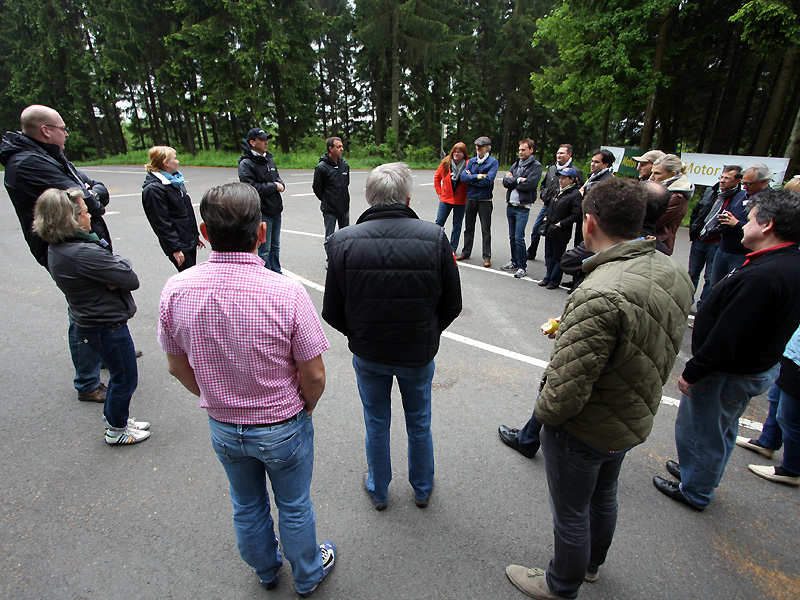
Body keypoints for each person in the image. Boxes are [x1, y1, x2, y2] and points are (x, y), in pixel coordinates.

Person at [505, 177, 693, 600]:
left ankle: (560, 584)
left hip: (585, 426)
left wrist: (545, 420)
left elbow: (565, 391)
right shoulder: (672, 270)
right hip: (631, 412)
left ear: (589, 222)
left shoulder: (600, 291)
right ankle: (591, 565)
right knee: (604, 495)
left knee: (571, 512)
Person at [157, 182, 335, 597]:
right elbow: (314, 375)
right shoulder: (285, 291)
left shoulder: (176, 289)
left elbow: (176, 366)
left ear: (204, 232)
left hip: (224, 426)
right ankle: (307, 574)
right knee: (293, 506)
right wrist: (306, 407)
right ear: (261, 232)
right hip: (281, 423)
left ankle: (266, 570)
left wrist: (215, 397)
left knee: (246, 503)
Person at [322, 163, 462, 511]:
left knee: (376, 421)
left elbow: (332, 310)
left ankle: (379, 488)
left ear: (368, 197)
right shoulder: (434, 237)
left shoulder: (342, 241)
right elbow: (452, 303)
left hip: (369, 352)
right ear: (408, 198)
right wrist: (428, 332)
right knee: (419, 422)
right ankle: (422, 488)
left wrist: (358, 334)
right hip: (417, 352)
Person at [498, 181, 674, 456]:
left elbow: (568, 381)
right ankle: (529, 436)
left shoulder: (601, 290)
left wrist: (578, 319)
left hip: (591, 423)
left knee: (569, 377)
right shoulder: (668, 264)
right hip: (633, 405)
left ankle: (530, 438)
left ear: (589, 223)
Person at [654, 189, 800, 510]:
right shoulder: (785, 261)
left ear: (767, 225)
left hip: (727, 371)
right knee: (721, 427)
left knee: (702, 430)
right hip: (753, 366)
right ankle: (701, 472)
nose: (743, 224)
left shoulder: (764, 275)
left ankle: (696, 489)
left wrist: (695, 371)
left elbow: (728, 335)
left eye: (750, 219)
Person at [1, 104, 115, 403]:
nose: (66, 134)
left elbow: (92, 190)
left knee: (100, 302)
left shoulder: (50, 155)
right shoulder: (28, 163)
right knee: (85, 310)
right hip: (66, 249)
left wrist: (90, 193)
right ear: (45, 130)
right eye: (63, 128)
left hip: (83, 243)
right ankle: (88, 383)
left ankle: (106, 352)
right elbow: (88, 200)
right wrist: (90, 195)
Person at [32, 188, 150, 445]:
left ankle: (116, 419)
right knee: (124, 377)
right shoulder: (83, 253)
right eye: (85, 213)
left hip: (92, 321)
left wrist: (114, 270)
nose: (90, 218)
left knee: (120, 374)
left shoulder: (60, 248)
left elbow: (117, 270)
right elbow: (130, 278)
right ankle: (116, 430)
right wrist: (117, 270)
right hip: (105, 324)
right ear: (72, 220)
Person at [735, 324, 800, 487]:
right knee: (775, 398)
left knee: (790, 417)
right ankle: (768, 442)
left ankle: (792, 469)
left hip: (798, 359)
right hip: (792, 351)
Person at [687, 166, 743, 308]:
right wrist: (695, 230)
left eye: (727, 178)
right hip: (700, 239)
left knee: (710, 278)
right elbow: (697, 212)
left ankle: (703, 308)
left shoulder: (739, 198)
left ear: (738, 181)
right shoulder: (711, 191)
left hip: (717, 242)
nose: (722, 181)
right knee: (692, 273)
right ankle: (686, 302)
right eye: (721, 177)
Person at [141, 146, 204, 271]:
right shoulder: (154, 189)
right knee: (188, 277)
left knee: (193, 273)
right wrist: (175, 248)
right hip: (179, 244)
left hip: (188, 239)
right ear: (166, 163)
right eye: (174, 158)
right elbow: (160, 222)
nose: (178, 161)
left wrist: (195, 234)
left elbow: (186, 211)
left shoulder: (175, 182)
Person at [707, 163, 771, 287]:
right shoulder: (741, 194)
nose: (745, 186)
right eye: (743, 183)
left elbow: (763, 229)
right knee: (714, 287)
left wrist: (737, 224)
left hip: (743, 254)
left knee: (733, 289)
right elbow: (729, 213)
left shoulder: (770, 200)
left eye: (749, 184)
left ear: (763, 181)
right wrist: (723, 219)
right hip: (723, 248)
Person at [238, 127, 284, 273]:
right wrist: (274, 186)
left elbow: (277, 178)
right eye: (262, 140)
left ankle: (276, 272)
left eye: (266, 140)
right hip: (262, 211)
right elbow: (252, 188)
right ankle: (265, 274)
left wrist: (280, 184)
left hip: (275, 209)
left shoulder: (268, 159)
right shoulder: (246, 163)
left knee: (275, 246)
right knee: (265, 248)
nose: (266, 142)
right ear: (252, 142)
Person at [528, 144, 583, 261]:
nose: (559, 155)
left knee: (556, 235)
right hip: (548, 205)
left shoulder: (576, 171)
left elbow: (579, 191)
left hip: (563, 208)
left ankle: (555, 261)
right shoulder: (552, 169)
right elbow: (543, 184)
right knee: (537, 229)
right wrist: (544, 193)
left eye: (562, 153)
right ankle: (531, 252)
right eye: (558, 153)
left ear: (569, 155)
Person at [501, 138, 542, 278]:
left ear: (531, 150)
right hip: (511, 205)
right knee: (512, 237)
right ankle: (514, 261)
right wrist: (518, 179)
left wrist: (513, 179)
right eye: (519, 150)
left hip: (522, 207)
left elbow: (530, 184)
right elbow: (505, 182)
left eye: (523, 150)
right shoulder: (516, 164)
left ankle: (522, 266)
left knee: (519, 237)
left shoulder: (536, 166)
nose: (520, 152)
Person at [456, 136, 499, 267]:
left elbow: (489, 181)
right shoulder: (473, 161)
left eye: (481, 146)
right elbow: (463, 177)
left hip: (485, 200)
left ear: (487, 148)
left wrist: (472, 178)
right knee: (468, 228)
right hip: (471, 199)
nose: (478, 148)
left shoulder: (493, 162)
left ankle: (487, 256)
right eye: (477, 146)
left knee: (485, 230)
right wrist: (479, 176)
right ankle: (466, 252)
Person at [538, 167, 582, 290]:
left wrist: (562, 224)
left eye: (564, 178)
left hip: (561, 231)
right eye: (560, 178)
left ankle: (554, 280)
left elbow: (576, 214)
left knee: (558, 257)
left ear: (572, 180)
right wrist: (547, 216)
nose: (560, 180)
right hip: (550, 228)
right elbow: (551, 206)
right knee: (548, 255)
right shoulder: (558, 190)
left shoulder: (575, 194)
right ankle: (547, 277)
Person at [312, 136, 350, 259]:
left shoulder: (344, 165)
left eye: (342, 146)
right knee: (330, 237)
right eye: (338, 147)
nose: (341, 149)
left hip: (344, 208)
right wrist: (328, 199)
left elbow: (346, 184)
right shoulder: (321, 167)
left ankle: (344, 258)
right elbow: (317, 188)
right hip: (330, 209)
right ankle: (331, 259)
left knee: (345, 235)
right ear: (330, 149)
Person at [650, 154, 693, 255]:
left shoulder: (677, 197)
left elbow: (651, 222)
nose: (652, 177)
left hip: (658, 246)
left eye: (657, 173)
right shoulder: (659, 188)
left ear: (673, 174)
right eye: (652, 172)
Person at [434, 142, 469, 253]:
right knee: (439, 222)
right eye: (454, 152)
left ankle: (452, 249)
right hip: (446, 199)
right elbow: (437, 178)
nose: (456, 154)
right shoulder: (446, 163)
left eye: (459, 152)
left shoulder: (468, 164)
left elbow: (471, 180)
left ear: (464, 154)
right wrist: (439, 192)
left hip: (461, 200)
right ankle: (435, 245)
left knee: (457, 225)